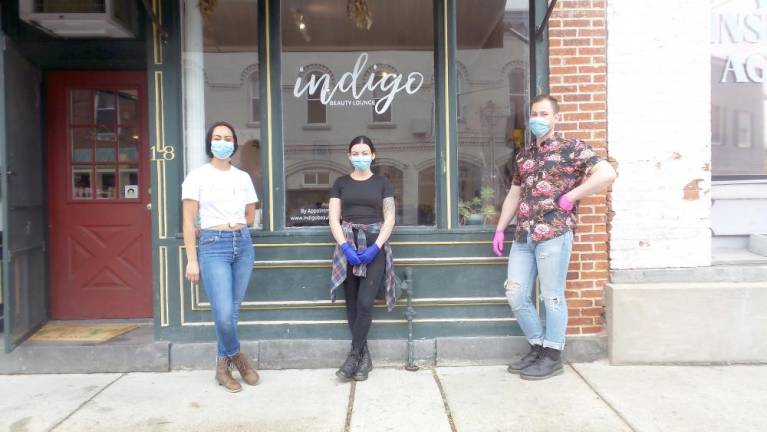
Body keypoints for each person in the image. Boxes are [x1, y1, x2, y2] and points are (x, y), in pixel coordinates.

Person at [492, 95, 617, 380]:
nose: (538, 118)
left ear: (555, 118)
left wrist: (572, 196)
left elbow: (607, 173)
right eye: (535, 113)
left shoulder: (571, 148)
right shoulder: (524, 156)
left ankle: (553, 355)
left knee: (552, 296)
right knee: (516, 293)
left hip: (554, 233)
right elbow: (514, 193)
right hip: (523, 236)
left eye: (544, 113)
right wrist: (500, 228)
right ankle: (538, 346)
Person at [182, 121, 260, 392]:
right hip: (213, 246)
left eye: (228, 137)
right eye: (218, 137)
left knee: (233, 311)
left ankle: (221, 368)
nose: (223, 142)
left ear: (234, 143)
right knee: (224, 314)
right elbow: (188, 222)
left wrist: (234, 225)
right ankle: (237, 356)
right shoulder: (197, 177)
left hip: (243, 244)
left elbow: (250, 217)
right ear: (210, 143)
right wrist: (192, 259)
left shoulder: (242, 178)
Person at [329, 135, 397, 381]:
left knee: (366, 303)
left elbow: (390, 218)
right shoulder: (340, 183)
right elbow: (333, 218)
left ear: (373, 155)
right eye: (355, 153)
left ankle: (352, 357)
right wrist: (345, 247)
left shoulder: (383, 183)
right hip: (347, 244)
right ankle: (363, 359)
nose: (360, 157)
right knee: (352, 304)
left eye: (364, 152)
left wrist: (375, 247)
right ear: (349, 156)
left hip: (374, 247)